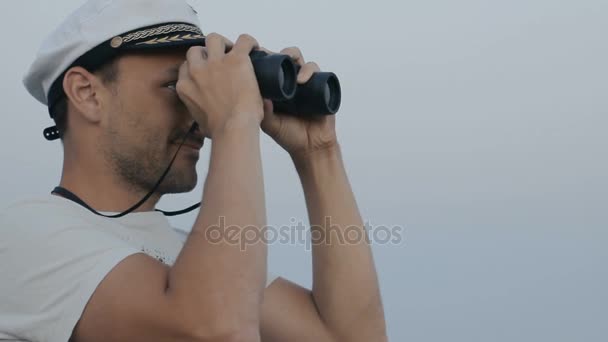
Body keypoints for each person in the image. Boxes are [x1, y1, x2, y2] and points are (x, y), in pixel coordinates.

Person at [0, 0, 387, 341]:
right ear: (87, 93)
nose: (199, 116)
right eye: (175, 86)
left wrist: (319, 153)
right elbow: (215, 330)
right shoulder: (21, 234)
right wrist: (235, 117)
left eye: (198, 87)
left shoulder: (195, 260)